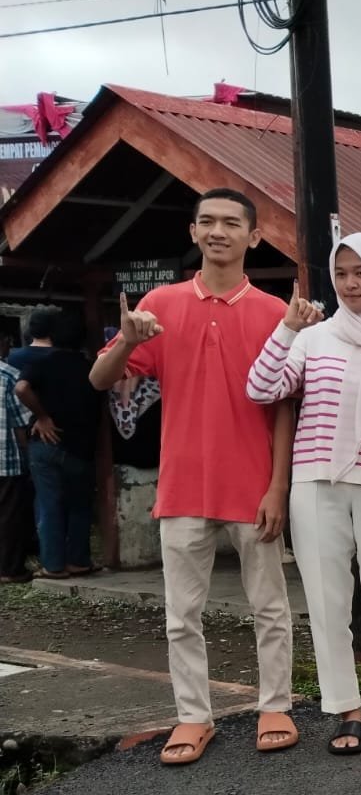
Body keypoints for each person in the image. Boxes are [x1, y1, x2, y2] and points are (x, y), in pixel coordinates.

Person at [87, 188, 299, 765]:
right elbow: (101, 379)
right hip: (181, 485)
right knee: (182, 615)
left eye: (231, 222)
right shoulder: (161, 303)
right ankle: (192, 716)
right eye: (207, 221)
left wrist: (278, 486)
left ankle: (275, 705)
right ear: (193, 231)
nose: (218, 231)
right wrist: (128, 342)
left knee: (270, 607)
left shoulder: (274, 313)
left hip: (253, 486)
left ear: (254, 236)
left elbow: (285, 407)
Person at [246, 233, 361, 754]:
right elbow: (261, 388)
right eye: (342, 273)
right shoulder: (314, 338)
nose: (350, 283)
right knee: (327, 604)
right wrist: (287, 327)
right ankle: (346, 708)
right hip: (315, 483)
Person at [14, 308, 102, 579]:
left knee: (48, 504)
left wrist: (42, 416)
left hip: (46, 442)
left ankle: (53, 565)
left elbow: (21, 388)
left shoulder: (44, 362)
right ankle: (78, 561)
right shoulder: (91, 367)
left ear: (51, 337)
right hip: (81, 447)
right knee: (80, 506)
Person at [0, 359, 32, 583]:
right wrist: (28, 454)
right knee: (9, 515)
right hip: (5, 458)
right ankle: (9, 569)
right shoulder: (9, 376)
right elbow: (22, 424)